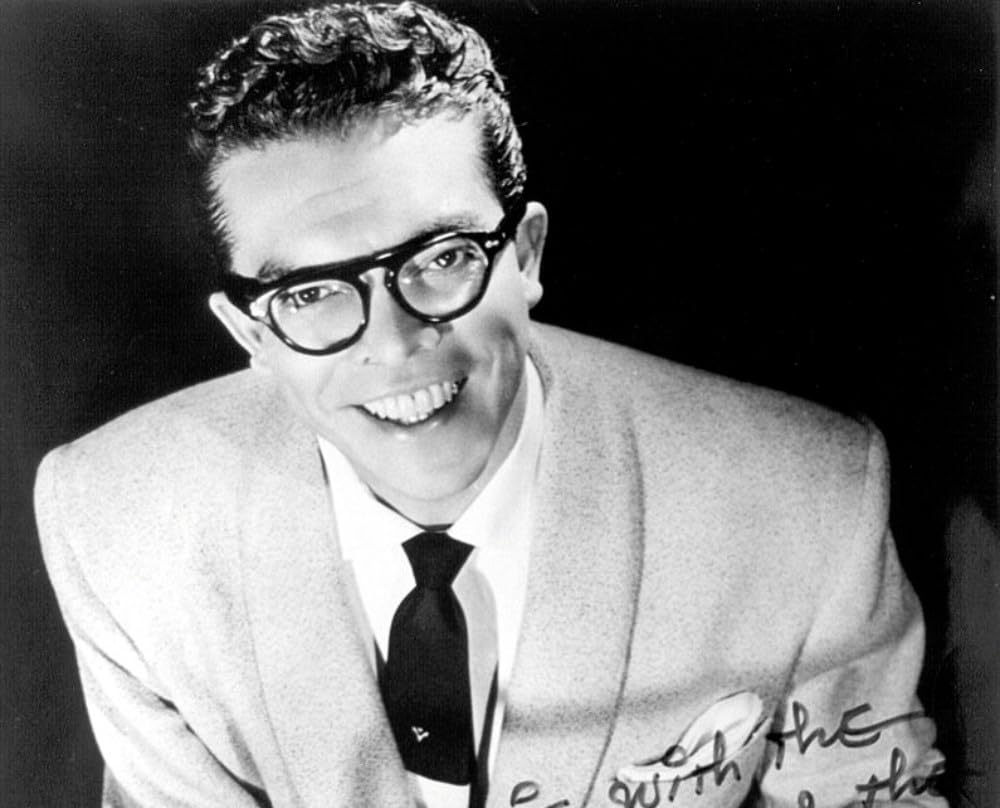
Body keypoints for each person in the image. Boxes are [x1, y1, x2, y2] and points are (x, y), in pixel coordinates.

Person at [35, 2, 947, 806]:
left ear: (527, 255)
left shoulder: (805, 500)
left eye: (442, 259)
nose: (394, 343)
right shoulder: (117, 521)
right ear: (250, 333)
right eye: (310, 293)